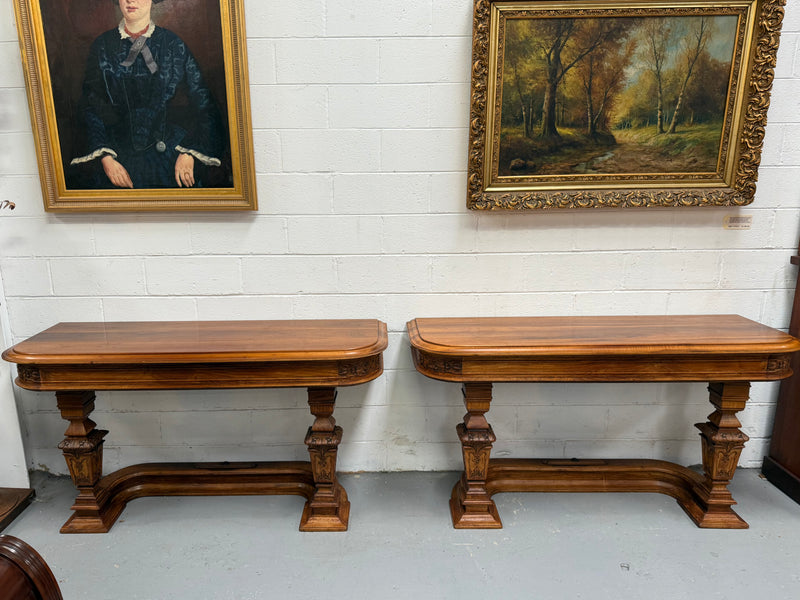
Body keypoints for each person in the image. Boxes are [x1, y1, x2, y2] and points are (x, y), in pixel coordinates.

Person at [69, 0, 228, 189]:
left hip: (169, 155)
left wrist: (189, 153)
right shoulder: (102, 46)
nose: (131, 0)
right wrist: (106, 159)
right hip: (117, 157)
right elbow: (90, 105)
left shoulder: (173, 44)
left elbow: (204, 104)